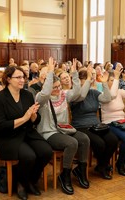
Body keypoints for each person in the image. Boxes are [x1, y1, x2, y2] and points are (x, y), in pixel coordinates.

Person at [0, 66, 52, 200]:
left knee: (46, 151)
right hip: (8, 137)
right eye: (18, 77)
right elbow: (1, 126)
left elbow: (35, 121)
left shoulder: (27, 95)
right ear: (8, 79)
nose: (22, 80)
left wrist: (33, 116)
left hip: (27, 133)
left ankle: (30, 180)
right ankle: (20, 183)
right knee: (29, 156)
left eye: (23, 77)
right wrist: (25, 118)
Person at [36, 57, 90, 195]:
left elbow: (77, 92)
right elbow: (46, 91)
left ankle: (81, 170)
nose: (58, 89)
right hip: (49, 132)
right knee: (72, 143)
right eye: (55, 87)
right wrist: (49, 72)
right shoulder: (41, 98)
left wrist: (74, 74)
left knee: (84, 139)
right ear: (47, 86)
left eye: (59, 86)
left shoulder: (64, 95)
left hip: (65, 129)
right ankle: (64, 175)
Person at [70, 66, 119, 180]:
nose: (89, 81)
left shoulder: (93, 92)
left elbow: (107, 98)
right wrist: (88, 79)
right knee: (100, 143)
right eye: (85, 79)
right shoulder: (75, 94)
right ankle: (103, 166)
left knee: (113, 140)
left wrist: (105, 84)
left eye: (89, 79)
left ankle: (101, 166)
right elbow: (82, 96)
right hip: (81, 126)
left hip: (96, 125)